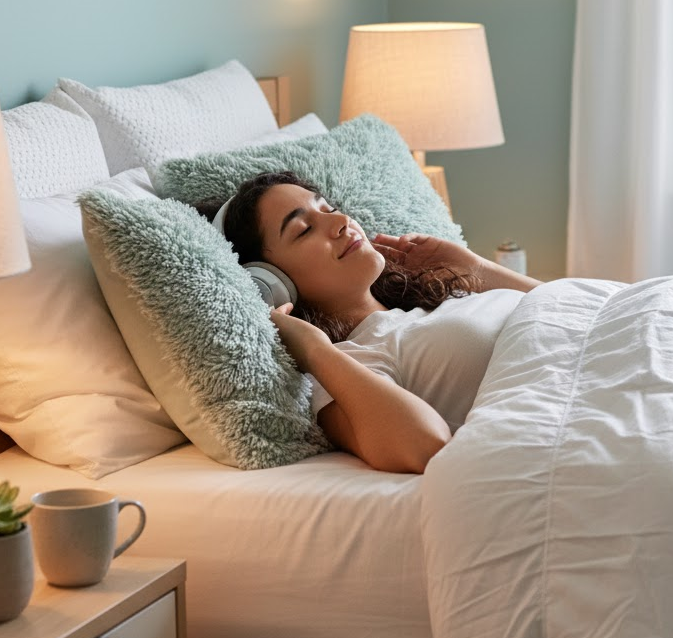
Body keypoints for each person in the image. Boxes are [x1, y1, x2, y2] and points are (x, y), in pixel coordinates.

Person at [196, 170, 541, 474]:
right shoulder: (353, 359)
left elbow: (579, 304)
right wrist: (316, 352)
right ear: (271, 281)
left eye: (328, 208)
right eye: (303, 230)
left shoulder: (437, 301)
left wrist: (476, 267)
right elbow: (426, 446)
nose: (341, 221)